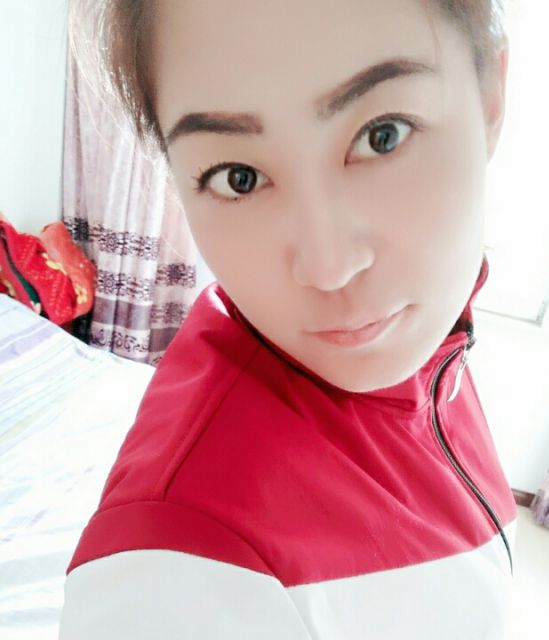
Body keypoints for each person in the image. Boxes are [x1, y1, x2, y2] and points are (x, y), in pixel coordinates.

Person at [59, 0, 518, 637]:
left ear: (491, 98)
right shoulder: (176, 577)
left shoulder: (437, 349)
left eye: (382, 134)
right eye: (239, 177)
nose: (328, 268)